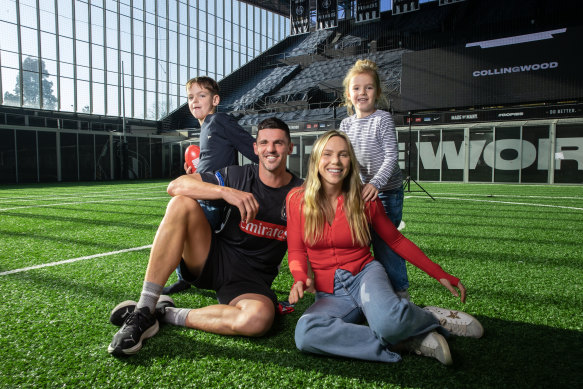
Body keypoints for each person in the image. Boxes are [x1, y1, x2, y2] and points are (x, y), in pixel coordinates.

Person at [108, 117, 303, 357]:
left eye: (278, 143)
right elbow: (176, 186)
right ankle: (143, 308)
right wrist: (225, 191)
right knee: (181, 204)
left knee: (258, 320)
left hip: (251, 282)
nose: (270, 149)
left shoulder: (302, 193)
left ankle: (161, 314)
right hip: (213, 259)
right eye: (264, 142)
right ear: (255, 148)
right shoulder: (237, 176)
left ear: (290, 147)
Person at [286, 130, 483, 365]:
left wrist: (438, 273)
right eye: (327, 154)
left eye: (343, 155)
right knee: (305, 333)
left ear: (351, 161)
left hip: (365, 276)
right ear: (317, 159)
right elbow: (296, 250)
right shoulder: (296, 199)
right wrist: (299, 277)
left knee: (389, 323)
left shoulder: (364, 197)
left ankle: (429, 318)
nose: (335, 162)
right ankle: (406, 340)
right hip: (330, 293)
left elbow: (396, 240)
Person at [164, 76, 259, 294]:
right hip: (204, 196)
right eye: (190, 97)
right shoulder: (206, 127)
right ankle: (184, 278)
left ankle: (207, 280)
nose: (194, 101)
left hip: (216, 201)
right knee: (185, 231)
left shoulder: (219, 121)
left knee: (189, 235)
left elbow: (250, 147)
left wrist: (269, 165)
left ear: (215, 99)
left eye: (202, 95)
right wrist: (196, 173)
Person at [339, 59, 409, 298]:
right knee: (359, 242)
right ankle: (370, 293)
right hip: (361, 192)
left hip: (387, 191)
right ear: (348, 94)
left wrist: (375, 184)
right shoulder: (345, 124)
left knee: (386, 244)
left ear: (377, 92)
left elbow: (392, 157)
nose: (362, 92)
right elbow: (348, 160)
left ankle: (401, 295)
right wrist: (357, 185)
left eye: (368, 87)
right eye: (356, 88)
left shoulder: (382, 119)